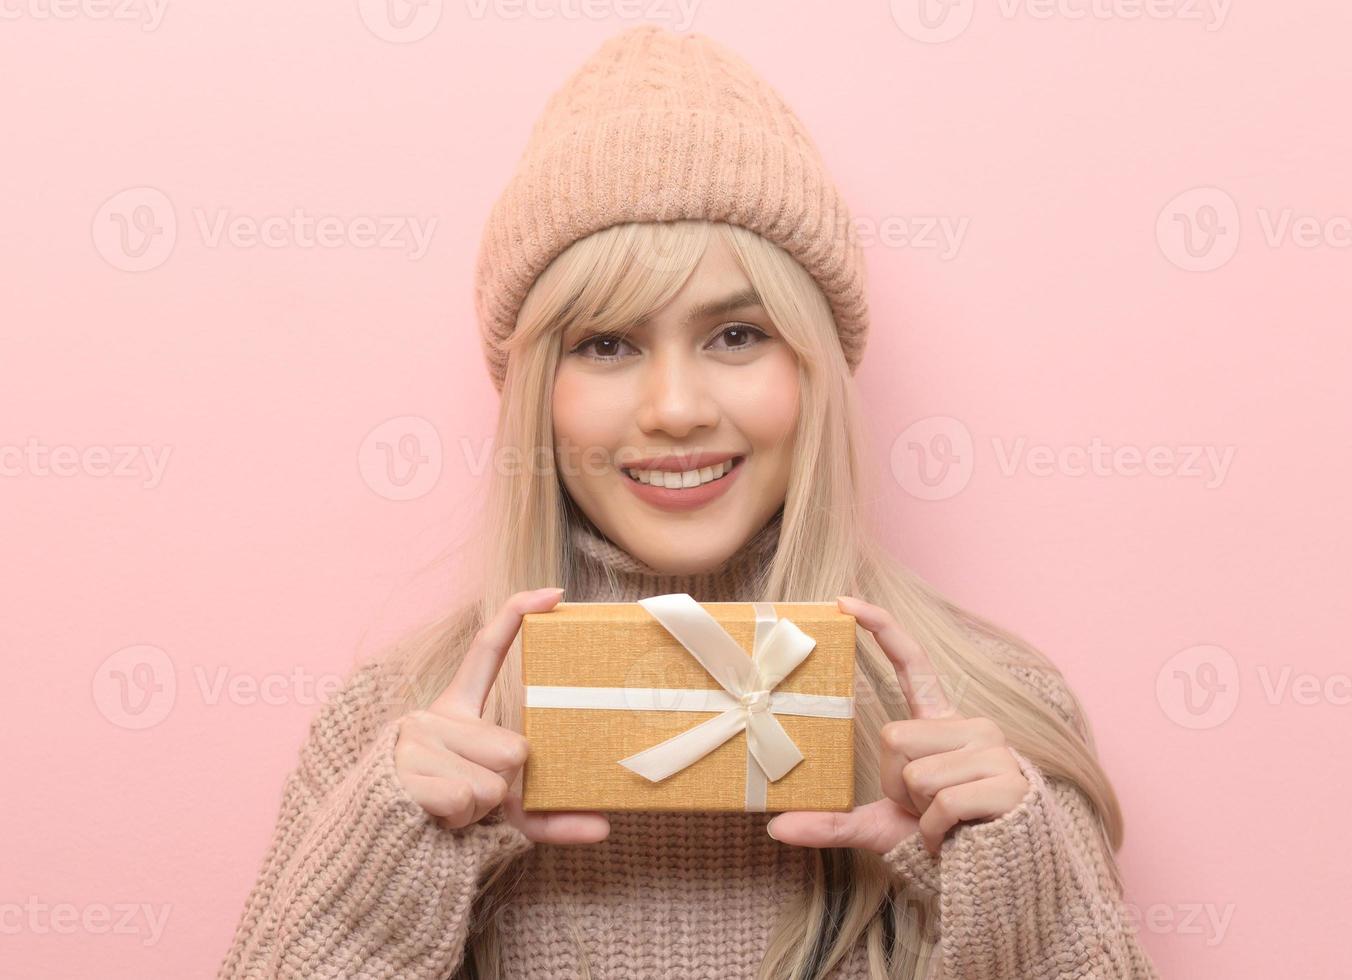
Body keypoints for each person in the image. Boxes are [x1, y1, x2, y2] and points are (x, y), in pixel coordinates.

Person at [216, 24, 1161, 980]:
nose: (674, 409)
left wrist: (1026, 896)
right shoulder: (390, 730)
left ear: (815, 371)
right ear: (537, 390)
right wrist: (378, 878)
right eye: (607, 345)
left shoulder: (997, 715)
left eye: (738, 333)